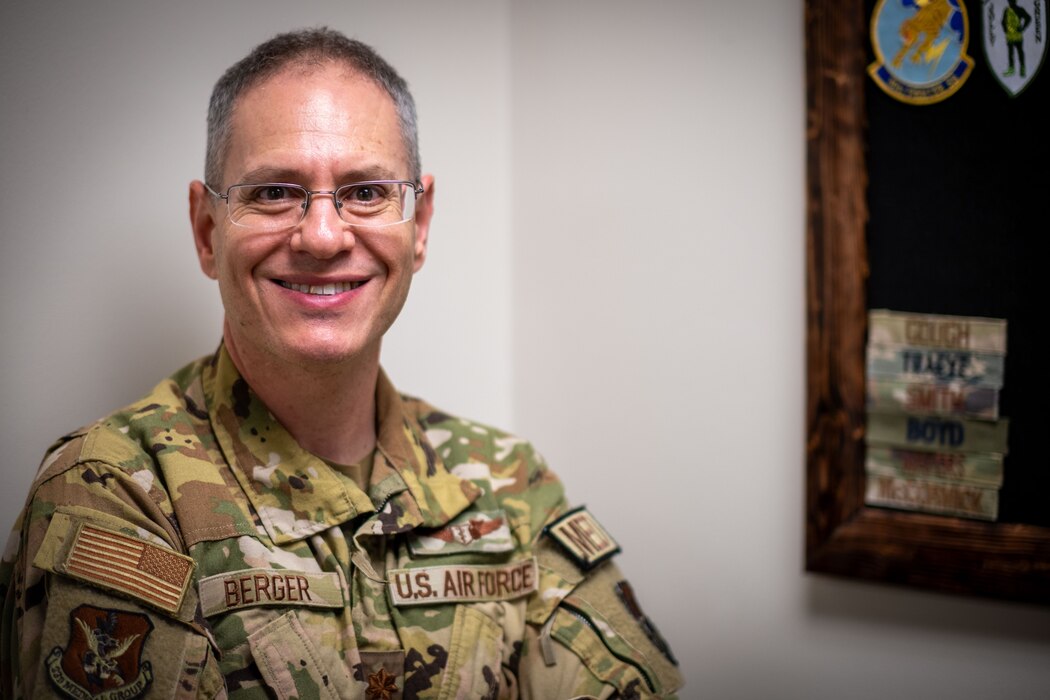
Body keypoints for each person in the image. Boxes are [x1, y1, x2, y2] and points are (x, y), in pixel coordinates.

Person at [0, 27, 682, 699]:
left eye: (365, 192)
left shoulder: (509, 485)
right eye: (274, 192)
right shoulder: (116, 492)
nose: (323, 237)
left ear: (419, 226)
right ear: (208, 232)